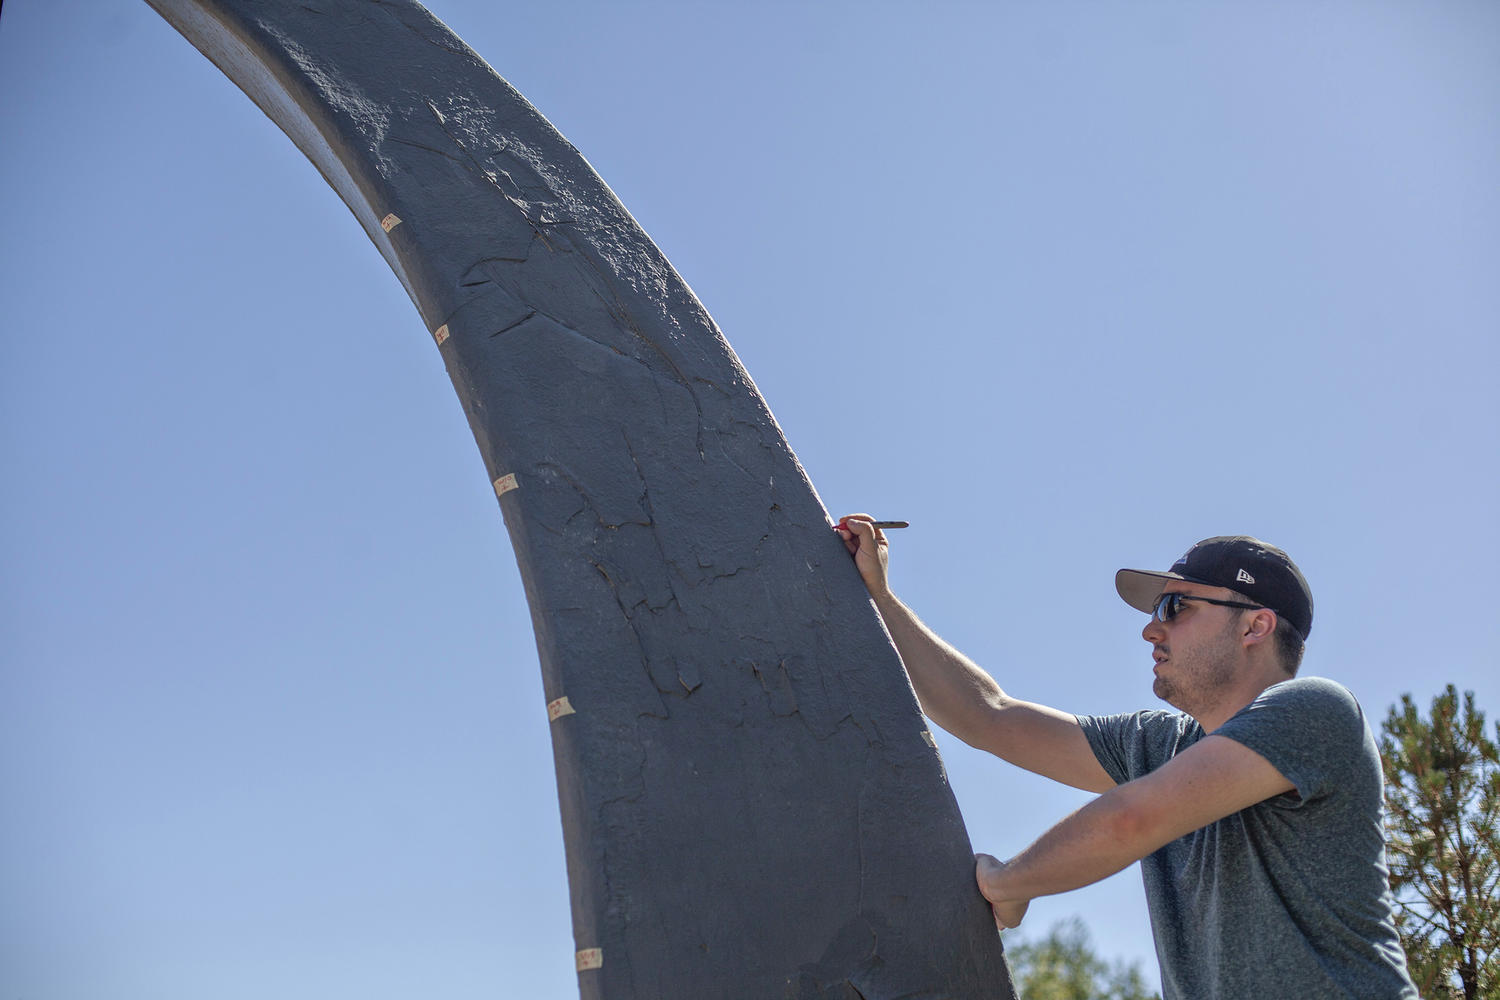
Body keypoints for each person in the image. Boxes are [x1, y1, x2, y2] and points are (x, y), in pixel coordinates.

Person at [835, 518, 1417, 1000]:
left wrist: (1007, 883)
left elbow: (1131, 820)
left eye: (1175, 607)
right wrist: (881, 598)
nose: (1149, 629)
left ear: (1255, 626)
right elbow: (990, 717)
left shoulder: (1317, 711)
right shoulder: (1158, 745)